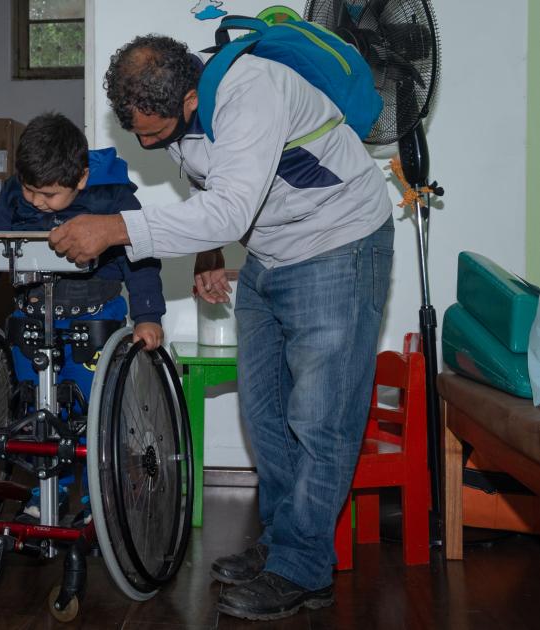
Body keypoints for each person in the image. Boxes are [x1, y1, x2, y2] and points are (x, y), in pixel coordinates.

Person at [50, 34, 394, 621]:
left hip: (340, 244)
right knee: (265, 410)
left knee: (320, 418)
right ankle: (286, 542)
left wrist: (117, 228)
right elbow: (219, 181)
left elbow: (232, 206)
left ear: (188, 99)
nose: (145, 144)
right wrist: (210, 248)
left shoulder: (248, 91)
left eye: (153, 133)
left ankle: (306, 567)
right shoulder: (181, 105)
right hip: (272, 251)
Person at [0, 113, 165, 519]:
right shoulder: (16, 195)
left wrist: (148, 314)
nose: (36, 201)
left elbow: (143, 255)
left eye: (48, 195)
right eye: (30, 189)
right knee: (36, 412)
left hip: (94, 321)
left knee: (91, 413)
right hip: (32, 319)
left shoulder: (113, 196)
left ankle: (93, 495)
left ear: (81, 179)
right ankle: (49, 490)